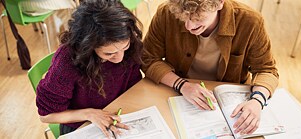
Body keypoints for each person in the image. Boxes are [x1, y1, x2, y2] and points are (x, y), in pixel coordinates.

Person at [142, 0, 279, 135]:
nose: (189, 26)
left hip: (231, 103)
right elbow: (147, 58)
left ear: (220, 3)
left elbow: (266, 69)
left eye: (198, 17)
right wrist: (182, 85)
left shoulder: (250, 21)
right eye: (183, 17)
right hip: (178, 93)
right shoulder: (166, 13)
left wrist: (257, 100)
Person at [36, 0, 143, 137]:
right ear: (88, 47)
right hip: (81, 123)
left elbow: (134, 84)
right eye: (109, 53)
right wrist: (89, 113)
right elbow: (46, 116)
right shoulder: (67, 62)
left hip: (118, 113)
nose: (120, 58)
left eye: (125, 47)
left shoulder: (130, 45)